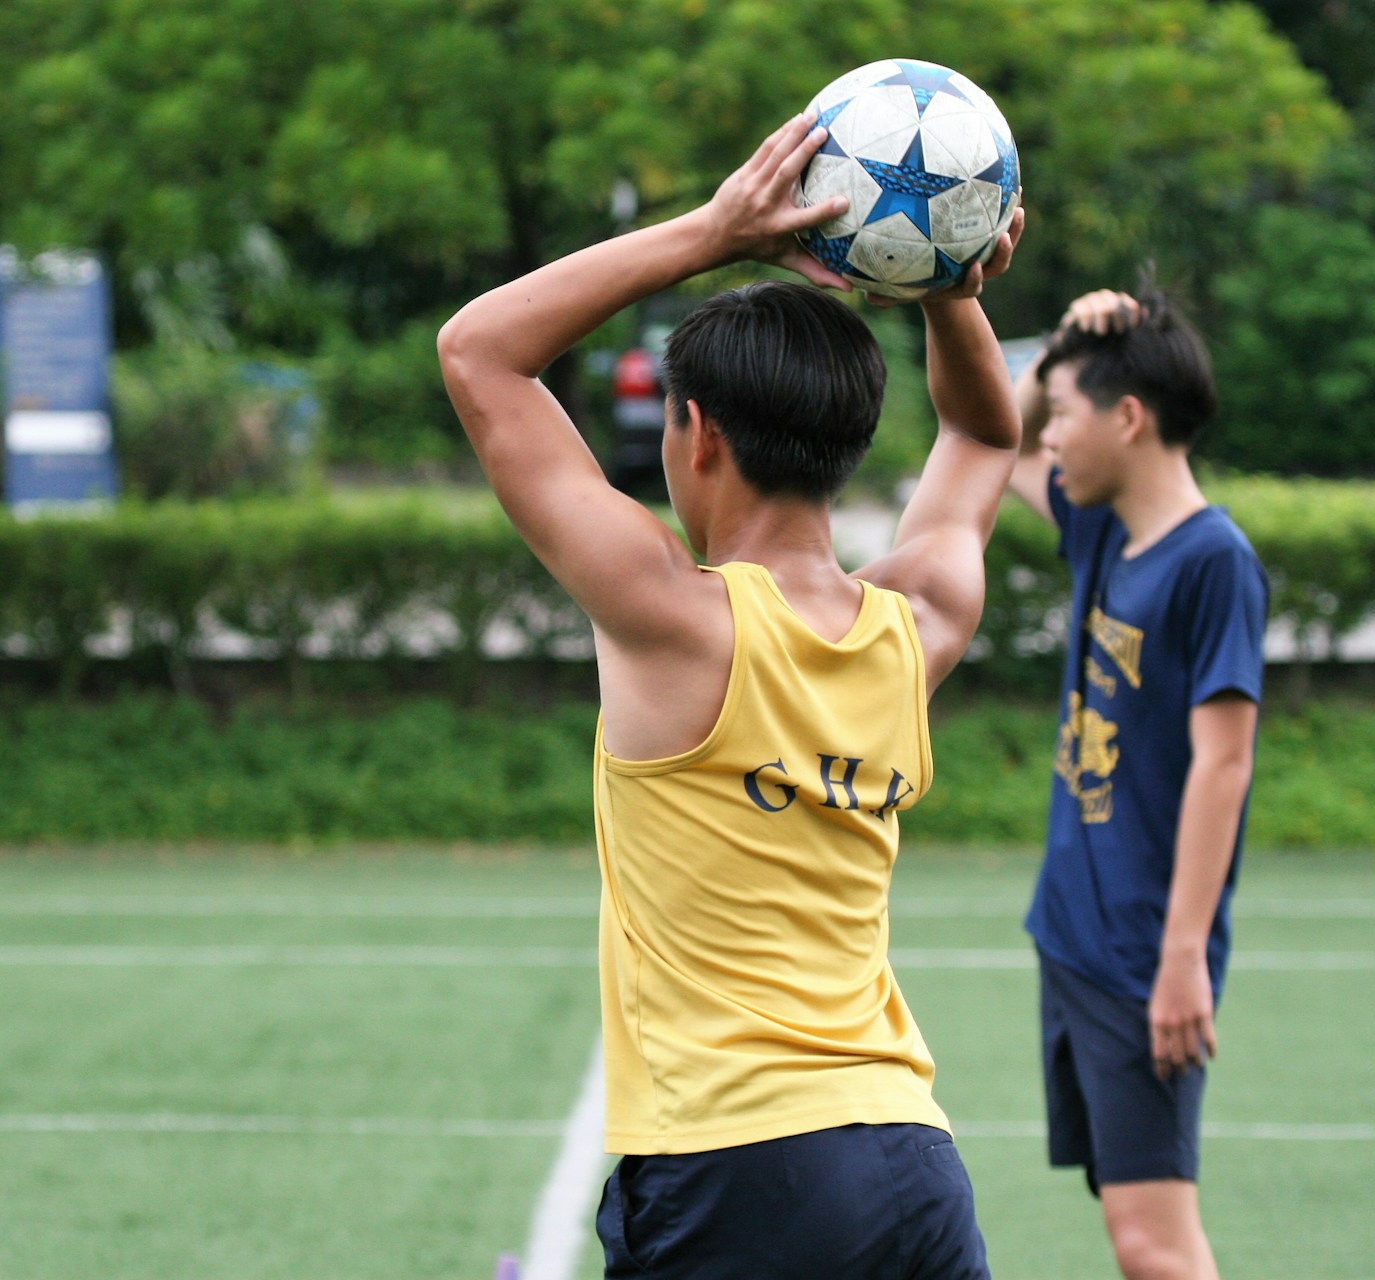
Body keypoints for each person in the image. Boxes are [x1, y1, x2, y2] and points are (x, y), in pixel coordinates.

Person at [439, 112, 1025, 1280]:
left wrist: (712, 233)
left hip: (733, 1166)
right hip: (910, 1158)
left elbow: (479, 351)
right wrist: (946, 280)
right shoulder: (916, 629)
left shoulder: (672, 616)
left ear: (695, 433)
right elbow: (981, 429)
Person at [1004, 287, 1268, 1280]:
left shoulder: (1214, 562)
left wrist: (1181, 958)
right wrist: (1066, 345)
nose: (1053, 432)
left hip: (1140, 952)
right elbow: (1000, 433)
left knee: (1155, 1243)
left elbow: (1224, 761)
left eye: (1070, 409)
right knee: (1129, 1223)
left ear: (1129, 417)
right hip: (1073, 930)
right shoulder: (1104, 529)